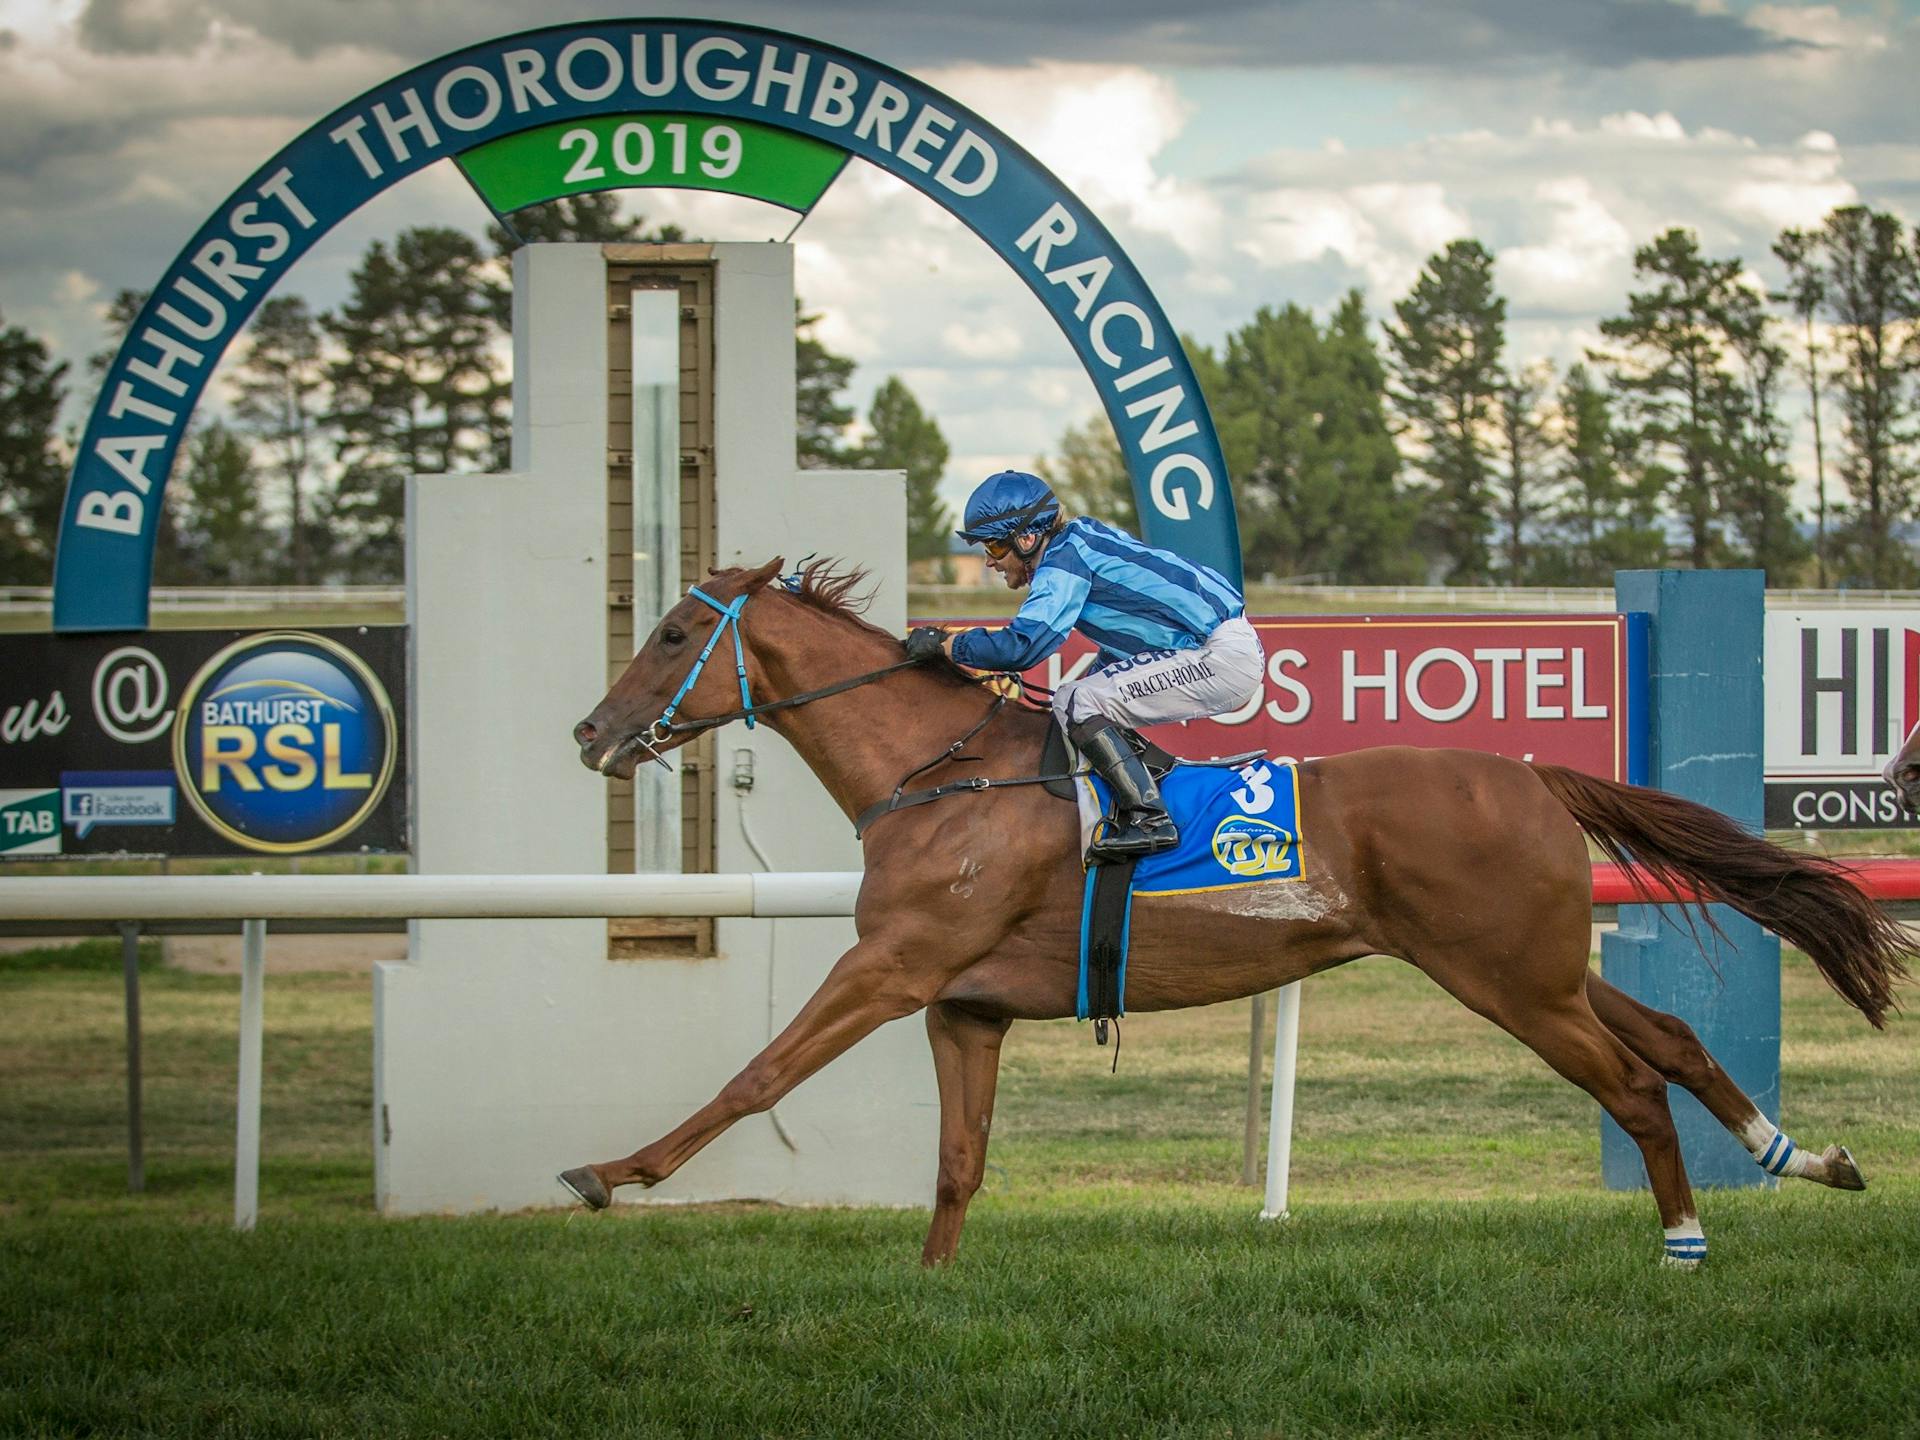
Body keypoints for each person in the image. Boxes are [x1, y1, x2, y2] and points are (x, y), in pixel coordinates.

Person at [906, 470, 1264, 861]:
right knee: (1077, 702)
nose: (989, 561)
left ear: (1026, 539)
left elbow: (1022, 647)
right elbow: (1129, 649)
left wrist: (948, 645)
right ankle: (1152, 786)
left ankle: (1150, 821)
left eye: (993, 547)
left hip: (1220, 656)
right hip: (1221, 648)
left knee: (1077, 702)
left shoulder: (1064, 558)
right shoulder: (1081, 540)